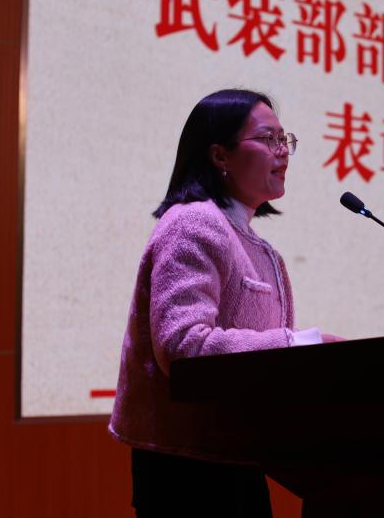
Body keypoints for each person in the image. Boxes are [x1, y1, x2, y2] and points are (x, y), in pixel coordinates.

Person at [109, 89, 331, 517]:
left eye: (285, 139)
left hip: (236, 455)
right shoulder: (193, 223)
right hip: (186, 469)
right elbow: (184, 346)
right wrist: (299, 345)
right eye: (268, 139)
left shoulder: (260, 249)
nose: (282, 151)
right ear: (220, 155)